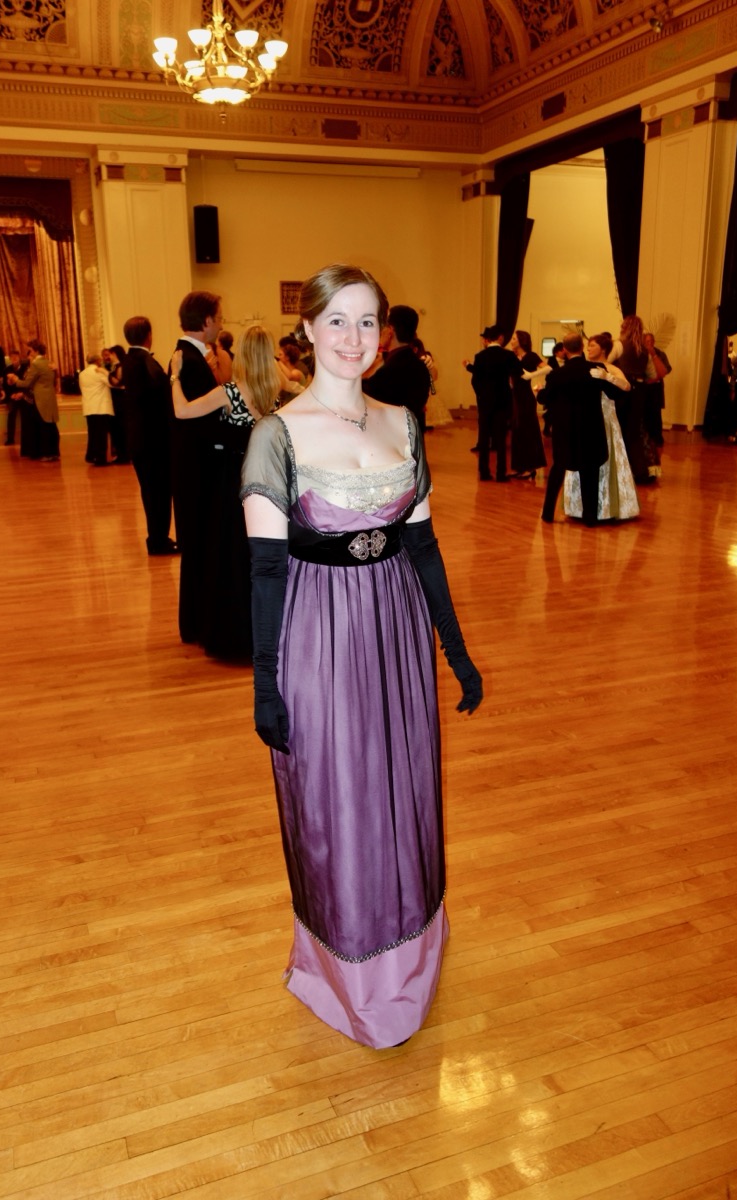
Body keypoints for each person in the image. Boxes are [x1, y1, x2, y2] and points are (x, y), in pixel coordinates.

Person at [240, 264, 483, 1049]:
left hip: (398, 626)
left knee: (404, 790)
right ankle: (346, 974)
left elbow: (423, 544)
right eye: (336, 322)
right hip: (319, 631)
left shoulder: (403, 421)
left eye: (367, 322)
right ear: (306, 332)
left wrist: (455, 647)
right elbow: (267, 570)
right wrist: (267, 684)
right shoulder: (275, 435)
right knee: (337, 802)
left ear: (384, 333)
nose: (353, 338)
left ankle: (412, 956)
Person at [170, 325, 281, 660]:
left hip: (232, 485)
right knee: (259, 557)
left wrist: (174, 378)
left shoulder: (231, 392)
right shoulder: (273, 393)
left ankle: (233, 636)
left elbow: (182, 411)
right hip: (266, 484)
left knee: (231, 557)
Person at [171, 291, 224, 643]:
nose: (222, 322)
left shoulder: (191, 356)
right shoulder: (188, 360)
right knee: (199, 546)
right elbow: (198, 422)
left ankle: (196, 622)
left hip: (194, 467)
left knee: (199, 547)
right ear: (206, 321)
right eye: (219, 316)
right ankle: (197, 623)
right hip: (199, 470)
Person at [563, 332, 639, 522]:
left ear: (603, 349)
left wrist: (608, 377)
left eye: (592, 346)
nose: (588, 349)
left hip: (606, 420)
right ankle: (580, 507)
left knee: (606, 460)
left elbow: (627, 387)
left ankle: (606, 507)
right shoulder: (584, 368)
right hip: (586, 421)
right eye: (587, 346)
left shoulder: (610, 368)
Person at [121, 315, 177, 556]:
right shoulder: (145, 361)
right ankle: (158, 540)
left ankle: (157, 538)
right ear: (148, 335)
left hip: (138, 439)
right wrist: (174, 376)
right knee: (159, 492)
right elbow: (164, 395)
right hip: (153, 441)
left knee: (151, 492)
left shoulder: (128, 360)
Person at [540, 333, 607, 525]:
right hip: (591, 429)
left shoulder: (557, 374)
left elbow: (545, 398)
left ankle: (547, 513)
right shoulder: (596, 369)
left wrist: (539, 392)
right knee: (590, 471)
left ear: (565, 350)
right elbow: (612, 392)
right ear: (583, 346)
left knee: (558, 469)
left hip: (565, 431)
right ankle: (590, 518)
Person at [465, 324, 522, 481]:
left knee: (484, 437)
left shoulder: (480, 356)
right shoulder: (508, 355)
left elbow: (475, 380)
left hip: (485, 402)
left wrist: (482, 395)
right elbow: (519, 372)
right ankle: (500, 473)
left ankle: (484, 472)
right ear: (501, 338)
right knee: (501, 439)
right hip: (503, 400)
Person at [362, 304, 431, 430]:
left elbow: (363, 399)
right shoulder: (420, 366)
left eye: (382, 325)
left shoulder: (390, 370)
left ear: (390, 330)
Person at [608, 315, 658, 485]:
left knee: (619, 431)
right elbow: (653, 375)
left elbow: (604, 363)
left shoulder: (619, 345)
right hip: (640, 393)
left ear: (625, 328)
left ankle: (621, 472)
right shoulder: (645, 350)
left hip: (623, 391)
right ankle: (640, 471)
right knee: (634, 433)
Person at [8, 339, 59, 461]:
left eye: (30, 350)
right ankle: (53, 453)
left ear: (36, 351)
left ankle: (46, 454)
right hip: (49, 397)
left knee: (42, 426)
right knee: (50, 425)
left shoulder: (36, 364)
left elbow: (26, 383)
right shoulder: (48, 362)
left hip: (39, 398)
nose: (29, 353)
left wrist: (15, 379)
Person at [508, 330, 547, 479]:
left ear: (521, 340)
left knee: (527, 431)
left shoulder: (531, 356)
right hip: (515, 397)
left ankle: (530, 467)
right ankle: (519, 466)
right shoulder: (512, 357)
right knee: (517, 432)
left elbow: (547, 368)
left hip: (525, 398)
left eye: (514, 338)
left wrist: (531, 375)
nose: (511, 341)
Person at [78, 354, 115, 465]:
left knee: (93, 433)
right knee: (101, 434)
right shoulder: (98, 372)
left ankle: (91, 455)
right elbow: (111, 383)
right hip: (100, 406)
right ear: (98, 361)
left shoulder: (82, 374)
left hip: (89, 407)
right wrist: (107, 372)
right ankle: (100, 458)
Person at [642, 331, 671, 450]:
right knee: (644, 412)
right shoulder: (641, 353)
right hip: (644, 386)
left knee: (656, 412)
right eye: (647, 341)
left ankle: (657, 438)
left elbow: (667, 368)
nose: (649, 343)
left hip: (656, 387)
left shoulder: (660, 353)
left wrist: (656, 377)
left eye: (651, 341)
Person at [107, 344, 130, 464]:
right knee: (117, 428)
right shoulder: (115, 366)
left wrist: (106, 375)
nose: (109, 356)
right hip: (116, 400)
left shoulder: (121, 366)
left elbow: (119, 383)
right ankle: (121, 453)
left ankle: (124, 455)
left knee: (121, 428)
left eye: (110, 354)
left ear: (115, 354)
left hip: (120, 401)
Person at [3, 348, 27, 446]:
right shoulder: (7, 369)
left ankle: (26, 438)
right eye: (12, 358)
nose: (14, 360)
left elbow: (27, 383)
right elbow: (4, 386)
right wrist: (11, 394)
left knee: (25, 416)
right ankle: (10, 439)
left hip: (23, 395)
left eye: (15, 358)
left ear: (19, 358)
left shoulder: (26, 368)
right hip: (12, 396)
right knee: (11, 413)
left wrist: (22, 394)